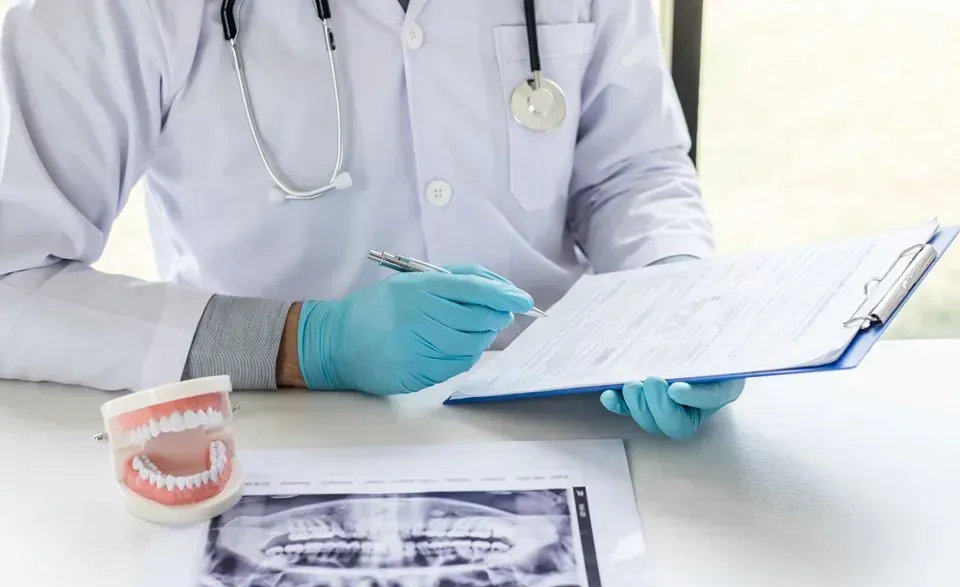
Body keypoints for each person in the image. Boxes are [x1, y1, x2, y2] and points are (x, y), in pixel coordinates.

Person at [0, 0, 743, 439]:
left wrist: (671, 296)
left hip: (578, 426)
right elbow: (11, 280)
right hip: (273, 440)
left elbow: (632, 170)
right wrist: (306, 345)